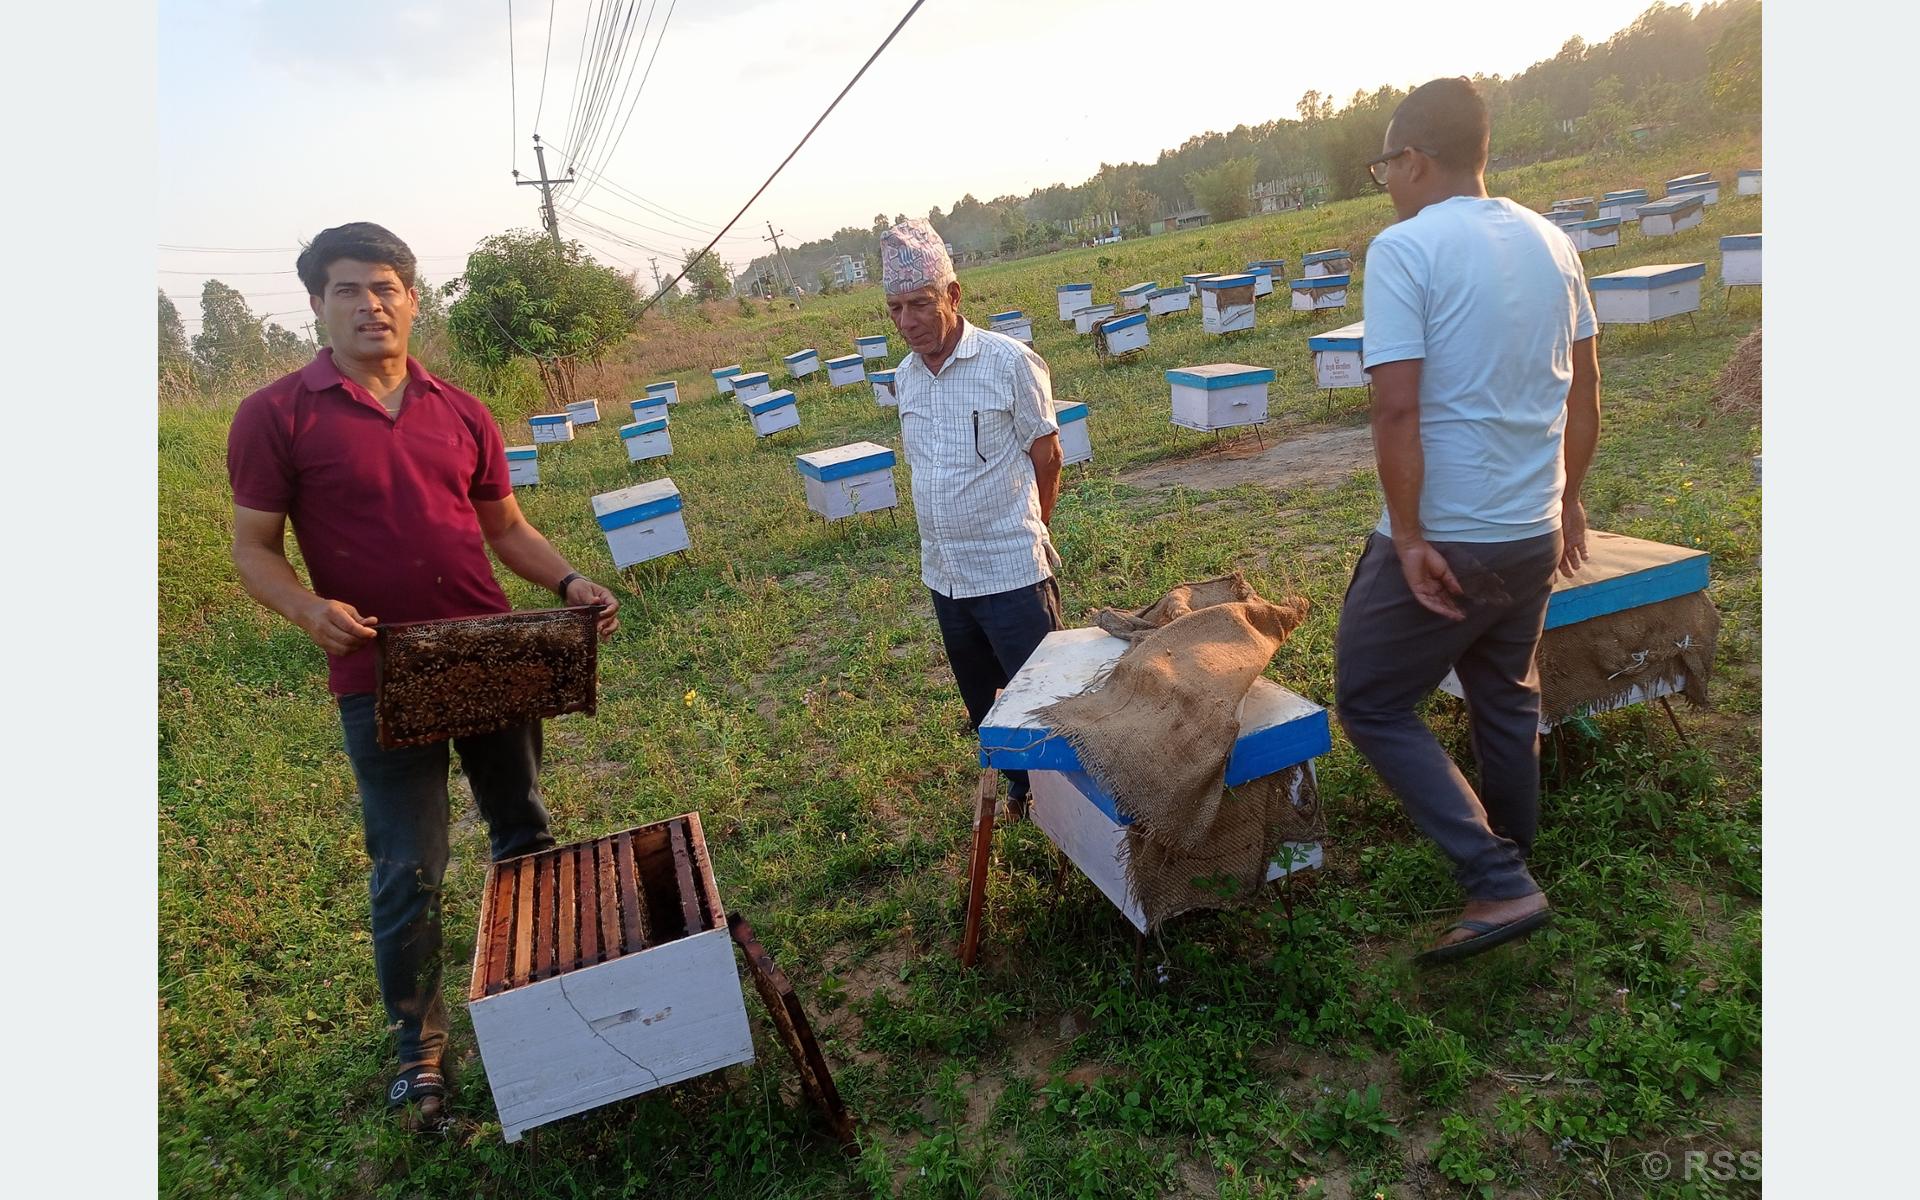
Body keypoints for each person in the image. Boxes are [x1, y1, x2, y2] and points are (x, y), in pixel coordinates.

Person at [226, 222, 621, 1126]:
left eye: (387, 287)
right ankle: (421, 1051)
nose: (371, 304)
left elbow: (507, 529)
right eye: (349, 291)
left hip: (486, 657)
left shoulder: (460, 407)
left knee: (522, 829)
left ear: (412, 298)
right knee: (409, 868)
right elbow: (253, 550)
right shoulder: (277, 413)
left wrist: (567, 579)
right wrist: (306, 609)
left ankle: (543, 988)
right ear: (318, 306)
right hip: (378, 673)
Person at [1334, 78, 1601, 966]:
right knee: (1503, 687)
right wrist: (1567, 497)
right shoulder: (1553, 242)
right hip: (1529, 524)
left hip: (1449, 531)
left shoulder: (1405, 249)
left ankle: (1496, 879)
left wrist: (1409, 539)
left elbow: (1397, 411)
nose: (1387, 182)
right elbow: (1587, 388)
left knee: (1371, 699)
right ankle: (1514, 849)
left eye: (1385, 165)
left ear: (1412, 158)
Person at [881, 219, 1066, 815]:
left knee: (1045, 696)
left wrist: (1033, 529)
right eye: (895, 309)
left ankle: (1070, 802)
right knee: (984, 701)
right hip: (946, 576)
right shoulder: (904, 378)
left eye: (919, 304)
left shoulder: (1010, 362)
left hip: (1011, 569)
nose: (907, 322)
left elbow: (1048, 455)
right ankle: (1021, 787)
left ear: (953, 296)